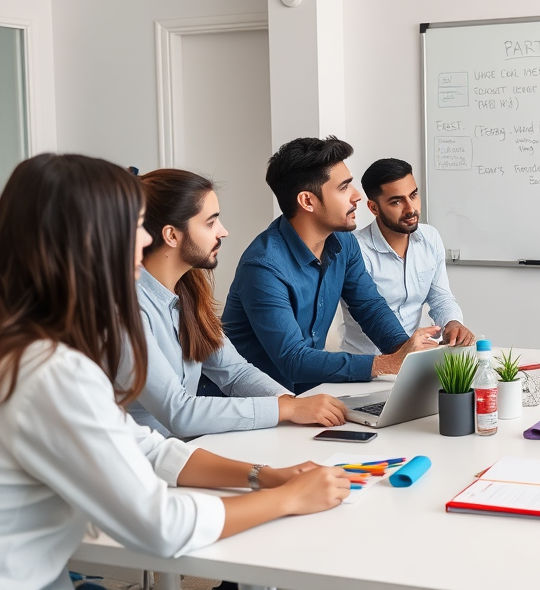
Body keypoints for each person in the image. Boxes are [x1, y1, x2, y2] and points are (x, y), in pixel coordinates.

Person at [0, 154, 355, 590]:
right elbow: (160, 525)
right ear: (92, 242)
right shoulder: (52, 371)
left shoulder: (35, 351)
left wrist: (264, 475)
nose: (141, 240)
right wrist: (286, 499)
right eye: (134, 227)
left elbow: (147, 448)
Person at [119, 168, 348, 439]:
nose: (223, 231)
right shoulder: (125, 309)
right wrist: (284, 408)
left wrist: (295, 404)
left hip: (185, 453)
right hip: (143, 466)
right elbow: (178, 412)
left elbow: (236, 372)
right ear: (171, 235)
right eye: (210, 222)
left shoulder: (189, 292)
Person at [222, 137, 438, 395]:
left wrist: (409, 355)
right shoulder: (263, 267)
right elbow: (293, 359)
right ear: (307, 201)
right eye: (344, 187)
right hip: (256, 406)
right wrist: (385, 364)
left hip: (308, 395)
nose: (357, 196)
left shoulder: (343, 243)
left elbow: (369, 307)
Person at [339, 158, 474, 355]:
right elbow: (370, 312)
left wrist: (452, 323)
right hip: (369, 366)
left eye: (413, 195)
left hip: (416, 359)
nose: (410, 209)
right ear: (374, 208)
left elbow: (440, 298)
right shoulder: (355, 249)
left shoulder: (430, 237)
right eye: (396, 201)